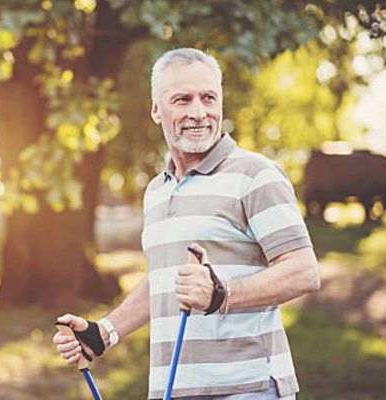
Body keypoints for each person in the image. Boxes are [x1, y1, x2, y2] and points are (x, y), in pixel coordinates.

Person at [52, 48, 320, 400]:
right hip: (172, 389)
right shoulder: (157, 191)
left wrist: (223, 293)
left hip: (248, 388)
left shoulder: (256, 175)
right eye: (182, 99)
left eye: (209, 97)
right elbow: (165, 279)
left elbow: (303, 271)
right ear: (156, 111)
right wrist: (104, 332)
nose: (199, 112)